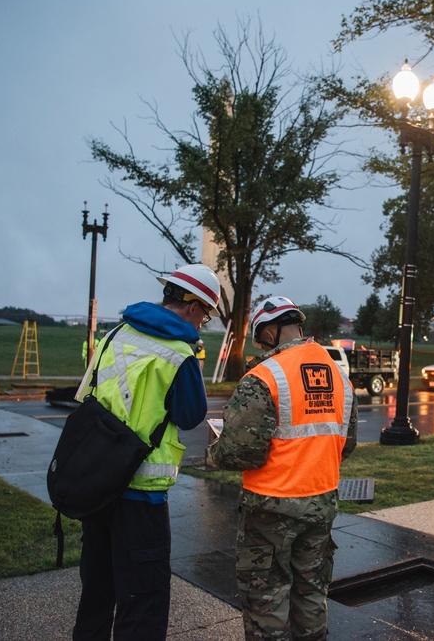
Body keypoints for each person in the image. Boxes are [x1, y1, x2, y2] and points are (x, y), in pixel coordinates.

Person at [72, 263, 221, 641]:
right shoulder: (180, 354)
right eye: (206, 313)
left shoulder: (116, 333)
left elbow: (88, 395)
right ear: (192, 306)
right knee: (143, 601)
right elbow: (191, 416)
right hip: (141, 496)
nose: (204, 321)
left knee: (97, 591)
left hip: (97, 485)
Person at [210, 296, 357, 641]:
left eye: (261, 338)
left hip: (270, 507)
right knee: (311, 592)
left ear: (271, 331)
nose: (261, 346)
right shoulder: (338, 376)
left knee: (266, 598)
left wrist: (216, 450)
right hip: (321, 502)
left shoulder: (264, 376)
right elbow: (345, 444)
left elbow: (239, 451)